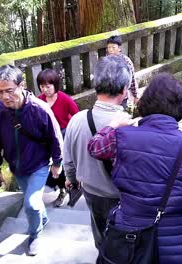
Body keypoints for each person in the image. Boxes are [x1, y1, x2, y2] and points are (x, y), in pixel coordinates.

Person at [88, 73, 182, 264]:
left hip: (133, 234)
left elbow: (94, 147)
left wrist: (112, 125)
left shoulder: (122, 137)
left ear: (146, 103)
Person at [0, 65, 63, 256]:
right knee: (33, 201)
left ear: (21, 86)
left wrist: (57, 163)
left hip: (39, 164)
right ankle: (42, 219)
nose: (4, 96)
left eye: (9, 91)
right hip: (16, 166)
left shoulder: (39, 109)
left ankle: (35, 234)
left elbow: (55, 137)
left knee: (31, 203)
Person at [63, 55, 131, 250]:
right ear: (124, 90)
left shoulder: (76, 120)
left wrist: (73, 181)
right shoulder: (128, 125)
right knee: (123, 241)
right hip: (120, 197)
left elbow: (68, 162)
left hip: (91, 192)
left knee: (100, 236)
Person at [37, 68, 79, 207]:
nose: (45, 90)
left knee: (61, 162)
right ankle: (56, 186)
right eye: (42, 86)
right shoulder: (39, 100)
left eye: (48, 86)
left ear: (55, 85)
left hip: (63, 134)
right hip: (47, 136)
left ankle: (64, 189)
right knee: (49, 164)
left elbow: (77, 117)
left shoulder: (65, 99)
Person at [106, 35, 139, 108]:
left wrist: (136, 95)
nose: (111, 50)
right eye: (109, 47)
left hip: (122, 96)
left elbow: (132, 79)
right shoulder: (105, 61)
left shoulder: (126, 61)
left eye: (113, 47)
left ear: (119, 48)